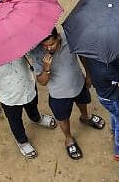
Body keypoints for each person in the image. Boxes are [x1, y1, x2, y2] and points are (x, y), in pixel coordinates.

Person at [30, 28, 109, 161]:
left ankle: (85, 117)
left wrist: (89, 75)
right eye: (45, 45)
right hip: (58, 94)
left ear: (58, 37)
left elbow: (82, 56)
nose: (48, 48)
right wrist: (46, 68)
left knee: (83, 102)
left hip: (78, 83)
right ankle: (68, 138)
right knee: (63, 118)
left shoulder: (70, 37)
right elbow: (42, 82)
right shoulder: (37, 53)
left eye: (51, 44)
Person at [0, 55, 58, 159]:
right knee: (15, 120)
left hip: (28, 87)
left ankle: (36, 118)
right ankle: (22, 141)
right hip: (10, 99)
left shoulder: (17, 46)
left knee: (33, 106)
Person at [80, 51, 119, 163]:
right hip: (113, 97)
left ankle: (116, 130)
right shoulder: (107, 69)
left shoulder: (92, 54)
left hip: (107, 94)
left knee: (116, 115)